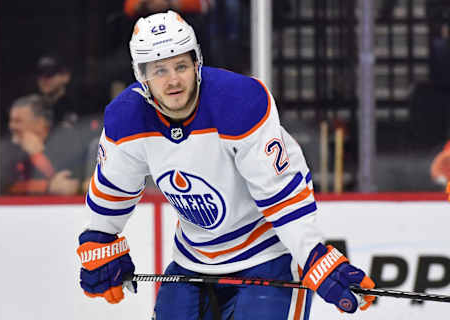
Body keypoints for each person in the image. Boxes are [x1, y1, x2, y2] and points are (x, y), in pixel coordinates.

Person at [76, 11, 376, 319]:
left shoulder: (238, 102)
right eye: (160, 71)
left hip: (269, 257)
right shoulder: (126, 119)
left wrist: (313, 255)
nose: (173, 80)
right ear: (143, 77)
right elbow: (114, 188)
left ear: (197, 64)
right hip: (193, 260)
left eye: (181, 65)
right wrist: (101, 236)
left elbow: (281, 195)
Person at [0, 94, 83, 195]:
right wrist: (46, 186)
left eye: (18, 121)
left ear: (40, 123)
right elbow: (4, 185)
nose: (11, 126)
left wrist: (38, 156)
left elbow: (67, 183)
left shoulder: (66, 144)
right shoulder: (6, 149)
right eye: (11, 121)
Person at [35, 54, 79, 127]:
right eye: (40, 74)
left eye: (50, 73)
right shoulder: (32, 108)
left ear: (66, 76)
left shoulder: (78, 106)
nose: (44, 79)